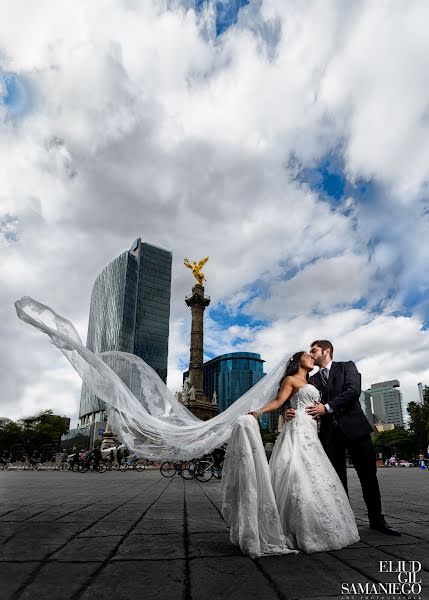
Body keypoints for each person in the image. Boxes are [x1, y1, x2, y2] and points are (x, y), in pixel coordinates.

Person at [223, 351, 360, 556]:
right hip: (297, 428)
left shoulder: (313, 380)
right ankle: (292, 527)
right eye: (307, 355)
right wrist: (259, 412)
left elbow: (316, 402)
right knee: (295, 471)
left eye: (313, 354)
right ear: (298, 361)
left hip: (312, 430)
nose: (311, 358)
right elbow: (280, 402)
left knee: (316, 473)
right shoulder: (290, 379)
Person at [286, 340, 399, 536]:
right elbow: (292, 394)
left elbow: (353, 391)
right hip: (329, 435)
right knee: (336, 480)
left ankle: (377, 521)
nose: (311, 355)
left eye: (314, 351)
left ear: (326, 351)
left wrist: (327, 408)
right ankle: (344, 521)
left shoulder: (347, 367)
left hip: (356, 430)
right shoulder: (311, 380)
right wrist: (288, 410)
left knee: (368, 477)